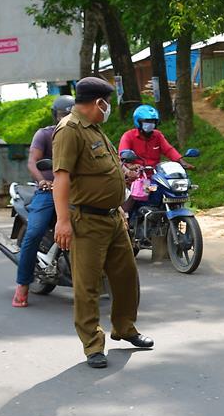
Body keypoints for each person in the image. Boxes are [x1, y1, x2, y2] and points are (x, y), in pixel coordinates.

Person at [52, 76, 154, 369]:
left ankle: (124, 327)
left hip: (112, 217)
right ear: (98, 102)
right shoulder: (69, 131)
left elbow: (104, 173)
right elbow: (62, 178)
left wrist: (118, 201)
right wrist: (63, 221)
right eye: (106, 103)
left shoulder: (94, 129)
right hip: (87, 221)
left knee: (126, 278)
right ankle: (93, 345)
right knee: (88, 285)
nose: (108, 109)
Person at [12, 95, 75, 307]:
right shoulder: (45, 134)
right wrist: (42, 182)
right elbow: (33, 162)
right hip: (49, 191)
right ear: (55, 116)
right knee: (34, 232)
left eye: (71, 113)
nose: (67, 117)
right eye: (63, 114)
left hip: (77, 192)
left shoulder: (82, 135)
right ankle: (22, 286)